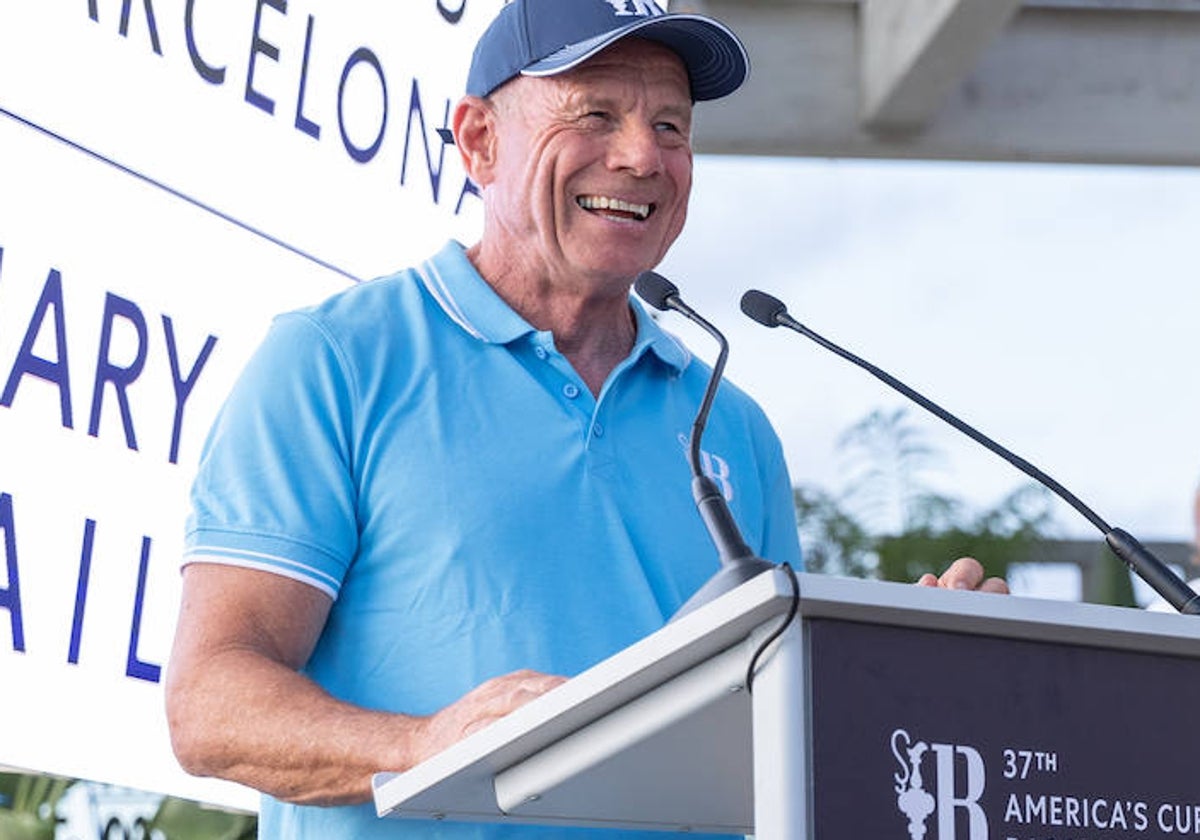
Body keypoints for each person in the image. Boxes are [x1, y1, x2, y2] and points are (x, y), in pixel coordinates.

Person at [164, 1, 1007, 838]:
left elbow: (777, 731)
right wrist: (423, 745)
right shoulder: (335, 363)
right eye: (596, 113)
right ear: (479, 141)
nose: (643, 156)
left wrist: (911, 674)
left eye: (672, 126)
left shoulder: (735, 428)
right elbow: (209, 704)